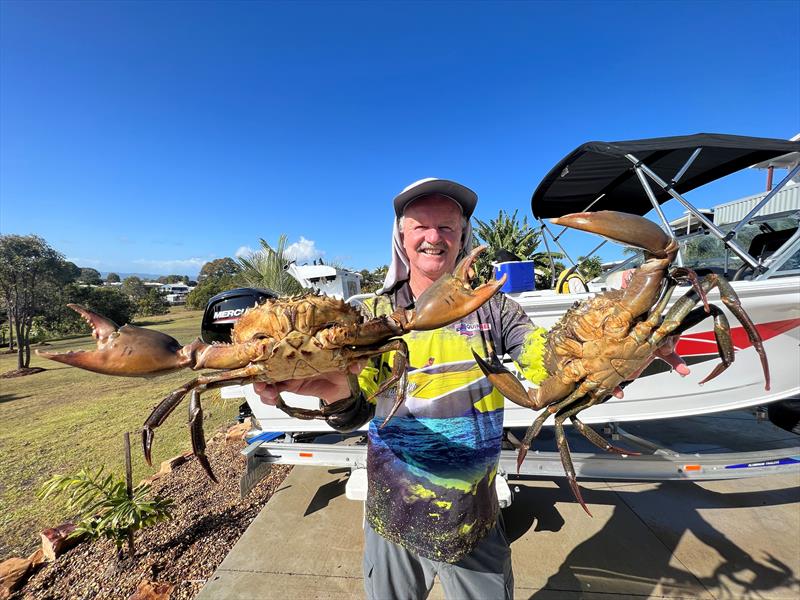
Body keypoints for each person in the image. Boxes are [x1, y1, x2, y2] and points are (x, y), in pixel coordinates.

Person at [256, 178, 551, 600]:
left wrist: (618, 353)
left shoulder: (495, 308)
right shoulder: (369, 316)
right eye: (421, 227)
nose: (435, 238)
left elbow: (545, 358)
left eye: (447, 227)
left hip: (473, 518)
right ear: (401, 236)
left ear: (463, 235)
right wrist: (334, 392)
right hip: (392, 518)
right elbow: (354, 414)